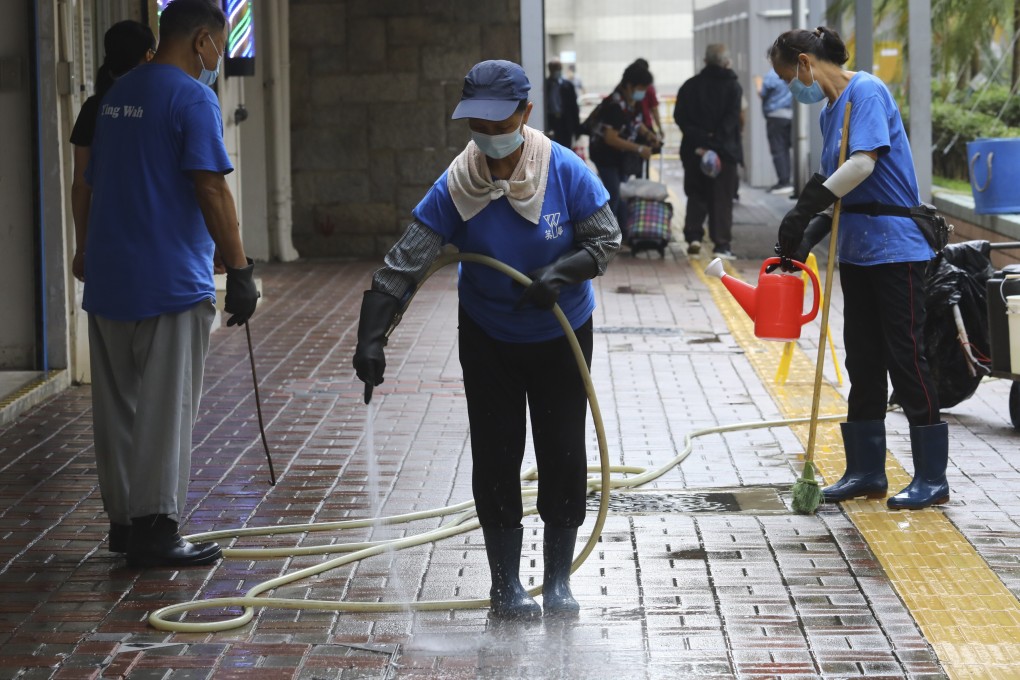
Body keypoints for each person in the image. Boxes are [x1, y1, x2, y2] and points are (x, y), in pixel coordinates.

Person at [353, 60, 621, 620]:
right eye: (478, 123)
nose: (490, 135)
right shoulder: (457, 185)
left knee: (562, 450)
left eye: (500, 123)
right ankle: (504, 585)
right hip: (489, 334)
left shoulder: (564, 172)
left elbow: (605, 239)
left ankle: (556, 581)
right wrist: (372, 335)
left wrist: (561, 273)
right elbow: (406, 264)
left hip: (561, 334)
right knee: (497, 452)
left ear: (525, 114)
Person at [83, 0, 260, 567]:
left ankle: (124, 524)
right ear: (203, 39)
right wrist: (239, 270)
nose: (219, 59)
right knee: (166, 407)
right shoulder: (193, 97)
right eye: (220, 46)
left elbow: (92, 181)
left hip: (111, 278)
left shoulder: (115, 96)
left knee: (118, 409)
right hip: (168, 279)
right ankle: (156, 528)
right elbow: (211, 188)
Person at [769, 27, 948, 510]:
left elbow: (863, 165)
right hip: (857, 251)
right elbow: (838, 190)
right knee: (863, 360)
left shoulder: (865, 90)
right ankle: (867, 471)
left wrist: (805, 206)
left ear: (805, 63)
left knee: (906, 356)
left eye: (790, 76)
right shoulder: (832, 111)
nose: (794, 87)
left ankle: (932, 477)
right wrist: (806, 234)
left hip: (896, 250)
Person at [70, 20, 156, 282]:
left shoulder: (93, 107)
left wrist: (82, 247)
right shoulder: (158, 103)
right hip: (155, 241)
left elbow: (81, 185)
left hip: (106, 237)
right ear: (149, 55)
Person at [674, 44, 743, 260]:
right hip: (725, 151)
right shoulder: (733, 87)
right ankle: (721, 245)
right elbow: (733, 119)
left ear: (705, 61)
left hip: (695, 150)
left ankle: (694, 236)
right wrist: (716, 140)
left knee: (696, 192)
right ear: (726, 62)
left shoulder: (690, 86)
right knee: (722, 198)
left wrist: (701, 140)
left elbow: (680, 117)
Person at [589, 63, 659, 229]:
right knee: (613, 195)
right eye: (642, 88)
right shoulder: (614, 105)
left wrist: (649, 135)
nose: (643, 92)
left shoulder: (630, 102)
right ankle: (606, 236)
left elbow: (635, 122)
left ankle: (623, 234)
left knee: (622, 194)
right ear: (629, 85)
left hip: (620, 158)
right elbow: (610, 138)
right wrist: (639, 149)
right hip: (605, 156)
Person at [754, 67, 794, 195]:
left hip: (775, 115)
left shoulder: (772, 75)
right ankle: (787, 180)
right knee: (785, 148)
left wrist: (758, 83)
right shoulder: (790, 72)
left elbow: (762, 93)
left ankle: (784, 182)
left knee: (778, 149)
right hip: (789, 115)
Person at [544, 58, 580, 149]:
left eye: (558, 68)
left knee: (566, 148)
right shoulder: (545, 85)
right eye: (554, 68)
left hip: (565, 122)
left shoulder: (568, 85)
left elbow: (574, 108)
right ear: (550, 69)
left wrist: (577, 128)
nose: (557, 71)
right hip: (551, 121)